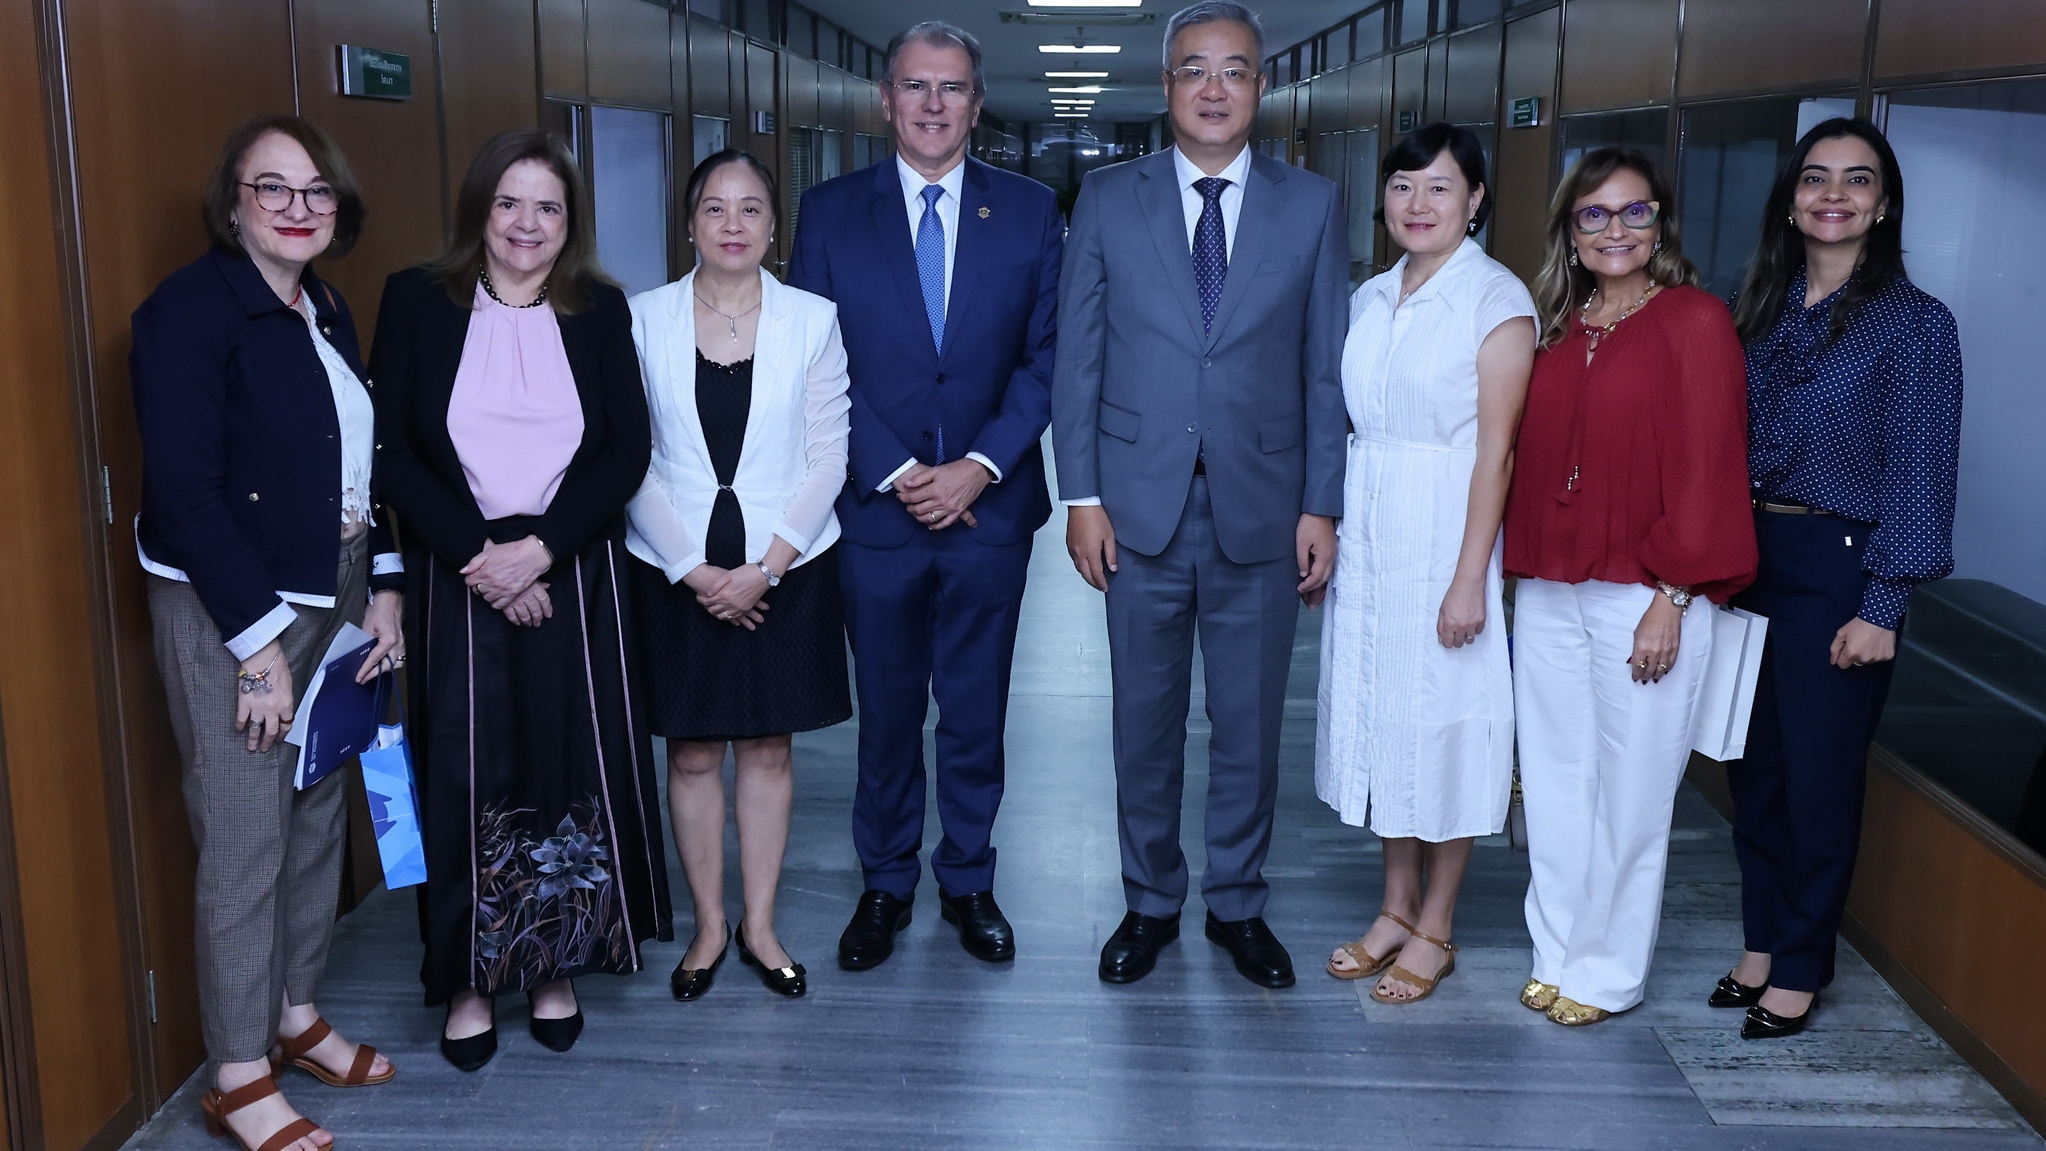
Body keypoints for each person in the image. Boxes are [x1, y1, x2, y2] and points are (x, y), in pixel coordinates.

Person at [1053, 0, 1348, 989]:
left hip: (1263, 508)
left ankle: (1238, 903)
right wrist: (1080, 495)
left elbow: (1323, 369)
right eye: (1194, 70)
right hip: (1136, 508)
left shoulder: (1311, 204)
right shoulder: (1106, 198)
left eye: (1234, 70)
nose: (1214, 87)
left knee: (1251, 721)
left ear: (1261, 87)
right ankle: (1149, 901)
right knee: (1143, 718)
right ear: (1166, 88)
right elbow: (1079, 360)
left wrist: (1322, 502)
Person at [370, 129, 671, 1070]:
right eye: (509, 202)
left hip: (572, 576)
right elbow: (391, 451)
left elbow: (625, 451)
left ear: (568, 220)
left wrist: (538, 550)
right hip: (456, 578)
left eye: (547, 206)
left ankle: (557, 962)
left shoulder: (599, 309)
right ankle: (466, 977)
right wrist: (483, 556)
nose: (527, 223)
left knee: (567, 767)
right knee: (460, 776)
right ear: (479, 211)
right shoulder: (417, 300)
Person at [132, 115, 401, 1151]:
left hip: (329, 589)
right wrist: (253, 651)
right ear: (233, 201)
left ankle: (295, 1014)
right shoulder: (188, 314)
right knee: (245, 839)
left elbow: (356, 460)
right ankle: (240, 1071)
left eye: (316, 191)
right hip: (230, 609)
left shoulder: (323, 304)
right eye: (273, 188)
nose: (298, 208)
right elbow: (186, 498)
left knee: (318, 807)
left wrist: (381, 585)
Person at [788, 21, 1062, 971]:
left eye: (952, 89)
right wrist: (901, 470)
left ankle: (970, 880)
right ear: (886, 101)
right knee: (891, 709)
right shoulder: (828, 214)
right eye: (916, 87)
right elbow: (811, 362)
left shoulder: (1030, 212)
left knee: (978, 707)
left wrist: (981, 463)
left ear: (978, 105)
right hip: (876, 509)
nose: (934, 105)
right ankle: (885, 881)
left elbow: (1046, 358)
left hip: (991, 509)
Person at [1719, 118, 1961, 1039]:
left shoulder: (1916, 323)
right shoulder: (1757, 308)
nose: (1834, 195)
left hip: (1841, 567)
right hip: (1749, 562)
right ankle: (1761, 941)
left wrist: (1884, 605)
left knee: (1819, 781)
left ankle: (1803, 963)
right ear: (1791, 198)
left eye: (1857, 181)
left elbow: (1921, 472)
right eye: (1816, 178)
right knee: (1756, 772)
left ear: (1884, 203)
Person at [1503, 148, 1757, 1026]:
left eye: (1635, 213)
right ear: (1570, 234)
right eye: (1595, 216)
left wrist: (1675, 594)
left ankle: (1607, 973)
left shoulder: (1694, 320)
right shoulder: (1555, 324)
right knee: (1558, 783)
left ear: (1661, 224)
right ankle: (1556, 950)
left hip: (1646, 594)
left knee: (1636, 790)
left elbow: (1709, 464)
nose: (1616, 230)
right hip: (1548, 590)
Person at [1315, 122, 1536, 1004]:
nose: (1418, 204)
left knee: (1446, 725)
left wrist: (1469, 576)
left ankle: (1436, 926)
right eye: (1403, 185)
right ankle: (1394, 905)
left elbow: (1499, 453)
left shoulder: (1497, 301)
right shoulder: (1370, 295)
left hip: (1447, 532)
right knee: (1383, 718)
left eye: (1440, 187)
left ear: (1475, 201)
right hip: (1372, 534)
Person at [627, 150, 852, 1002]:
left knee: (766, 745)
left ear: (772, 227)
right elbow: (630, 457)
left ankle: (759, 924)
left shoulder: (813, 319)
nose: (732, 224)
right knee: (690, 753)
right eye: (714, 209)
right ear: (688, 223)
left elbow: (830, 455)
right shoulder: (640, 319)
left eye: (751, 209)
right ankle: (709, 927)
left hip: (787, 567)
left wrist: (765, 568)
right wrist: (693, 569)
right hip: (671, 562)